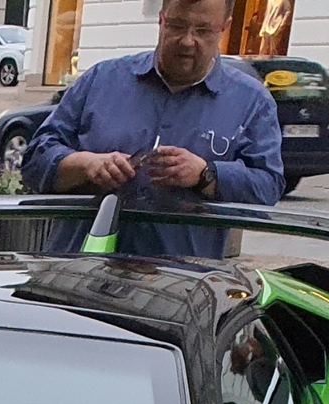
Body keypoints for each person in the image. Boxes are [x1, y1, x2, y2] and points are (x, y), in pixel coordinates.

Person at [23, 0, 280, 256]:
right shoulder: (102, 80)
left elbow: (268, 186)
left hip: (183, 281)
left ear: (224, 28)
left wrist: (206, 174)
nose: (188, 41)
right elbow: (34, 161)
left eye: (203, 30)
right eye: (177, 26)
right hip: (77, 272)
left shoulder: (251, 101)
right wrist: (85, 165)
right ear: (161, 20)